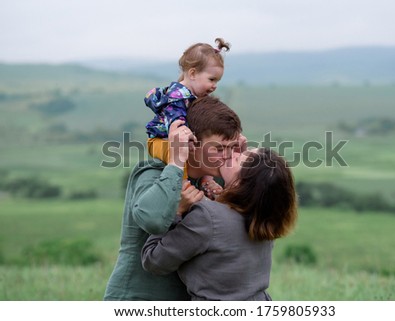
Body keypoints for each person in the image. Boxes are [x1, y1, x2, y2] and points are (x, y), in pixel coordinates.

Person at [104, 96, 242, 300]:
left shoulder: (206, 181)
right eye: (219, 149)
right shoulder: (152, 172)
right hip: (137, 297)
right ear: (190, 143)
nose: (226, 156)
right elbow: (152, 219)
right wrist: (176, 162)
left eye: (231, 148)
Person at [141, 147, 298, 301]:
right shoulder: (264, 217)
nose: (232, 154)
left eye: (237, 159)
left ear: (240, 183)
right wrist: (218, 192)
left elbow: (153, 261)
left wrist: (174, 212)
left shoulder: (206, 216)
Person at [144, 38, 231, 198]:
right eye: (211, 79)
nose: (215, 85)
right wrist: (188, 141)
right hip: (160, 141)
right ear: (192, 73)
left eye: (217, 81)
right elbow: (176, 127)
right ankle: (182, 185)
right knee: (179, 153)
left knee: (200, 154)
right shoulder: (176, 97)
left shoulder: (192, 96)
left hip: (177, 139)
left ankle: (206, 179)